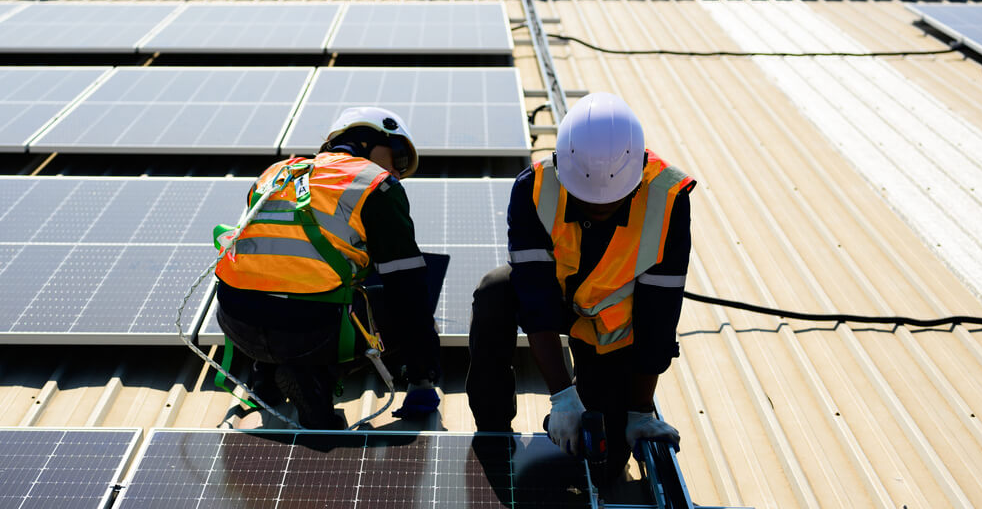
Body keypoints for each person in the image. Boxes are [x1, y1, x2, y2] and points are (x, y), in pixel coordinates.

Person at [466, 92, 694, 477]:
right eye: (586, 198)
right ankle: (493, 428)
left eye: (613, 199)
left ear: (638, 171)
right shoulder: (533, 189)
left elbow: (659, 312)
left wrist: (640, 410)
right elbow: (534, 295)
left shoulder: (668, 198)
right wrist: (562, 397)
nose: (599, 206)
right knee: (494, 292)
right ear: (561, 166)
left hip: (612, 328)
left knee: (604, 463)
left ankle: (616, 407)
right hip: (556, 302)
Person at [214, 106, 442, 429]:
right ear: (367, 142)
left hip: (236, 323)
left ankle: (263, 375)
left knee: (280, 286)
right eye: (399, 158)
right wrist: (422, 374)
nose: (399, 172)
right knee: (398, 303)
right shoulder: (376, 185)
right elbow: (409, 288)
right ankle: (315, 378)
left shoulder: (276, 173)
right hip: (306, 333)